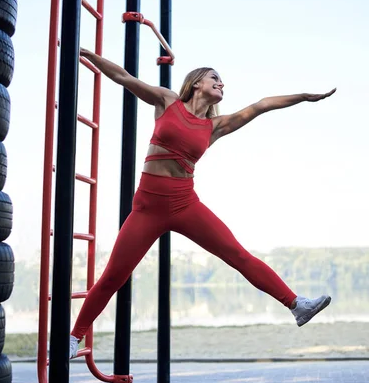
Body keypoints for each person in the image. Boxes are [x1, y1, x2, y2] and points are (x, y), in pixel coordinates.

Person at [70, 48, 336, 358]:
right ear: (196, 82)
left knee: (237, 253)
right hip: (148, 206)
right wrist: (87, 54)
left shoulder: (215, 126)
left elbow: (261, 105)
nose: (221, 85)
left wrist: (303, 96)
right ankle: (72, 338)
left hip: (184, 203)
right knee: (114, 275)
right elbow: (123, 77)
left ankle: (296, 305)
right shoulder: (167, 101)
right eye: (215, 79)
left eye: (223, 82)